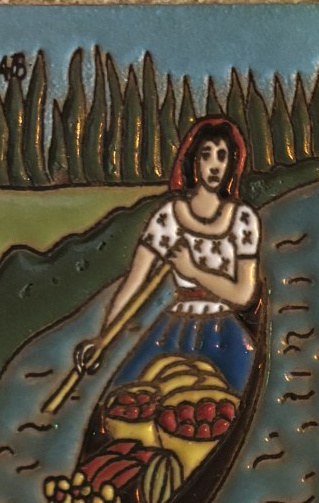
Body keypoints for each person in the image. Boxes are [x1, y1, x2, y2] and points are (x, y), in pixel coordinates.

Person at [74, 115, 260, 391]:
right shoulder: (169, 217)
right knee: (128, 393)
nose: (214, 165)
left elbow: (244, 294)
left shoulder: (242, 219)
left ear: (232, 163)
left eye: (222, 156)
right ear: (193, 160)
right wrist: (103, 339)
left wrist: (193, 270)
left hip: (224, 334)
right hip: (173, 331)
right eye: (206, 155)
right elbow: (134, 284)